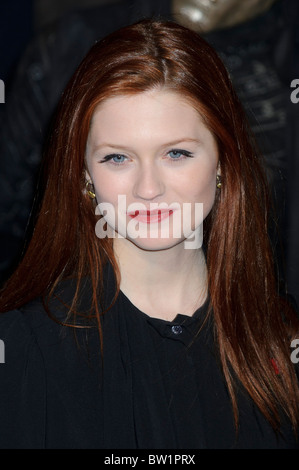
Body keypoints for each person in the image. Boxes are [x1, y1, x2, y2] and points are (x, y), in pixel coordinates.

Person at [0, 18, 298, 450]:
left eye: (176, 153)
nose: (148, 189)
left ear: (223, 163)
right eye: (117, 158)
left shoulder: (282, 338)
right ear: (84, 175)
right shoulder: (22, 352)